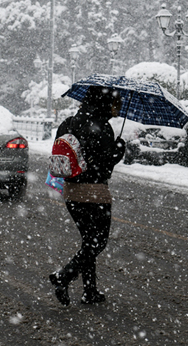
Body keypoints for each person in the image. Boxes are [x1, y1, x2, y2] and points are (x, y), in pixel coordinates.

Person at [49, 86, 125, 306]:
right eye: (114, 102)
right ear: (103, 102)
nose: (117, 107)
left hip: (71, 191)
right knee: (98, 242)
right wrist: (119, 149)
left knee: (88, 242)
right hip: (95, 193)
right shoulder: (102, 127)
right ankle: (63, 276)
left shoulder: (68, 123)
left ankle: (89, 291)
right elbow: (105, 164)